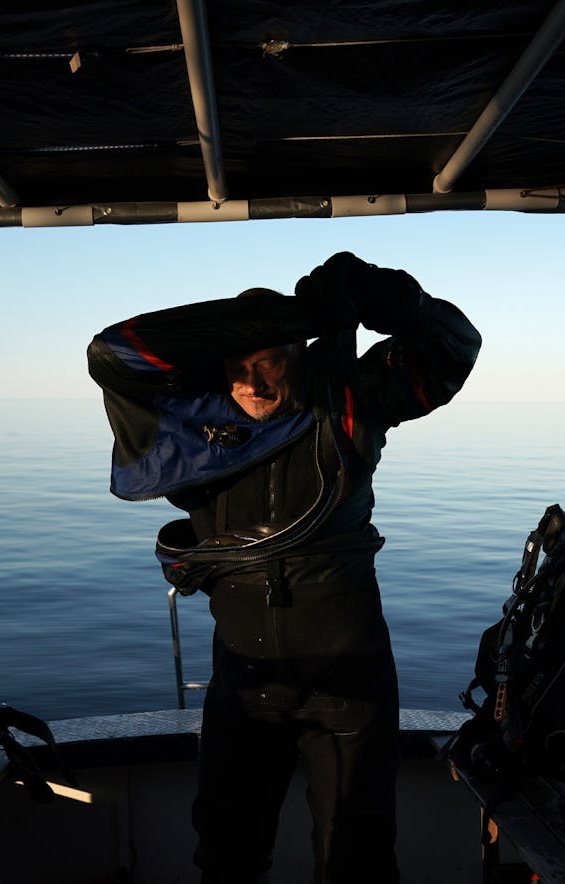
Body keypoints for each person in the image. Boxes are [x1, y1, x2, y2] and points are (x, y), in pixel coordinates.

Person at [86, 251, 481, 883]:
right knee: (226, 856)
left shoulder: (352, 400)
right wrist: (281, 317)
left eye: (267, 360)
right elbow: (113, 354)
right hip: (244, 686)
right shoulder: (191, 430)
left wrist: (371, 293)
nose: (252, 384)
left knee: (357, 860)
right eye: (238, 365)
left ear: (298, 353)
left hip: (351, 686)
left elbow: (456, 344)